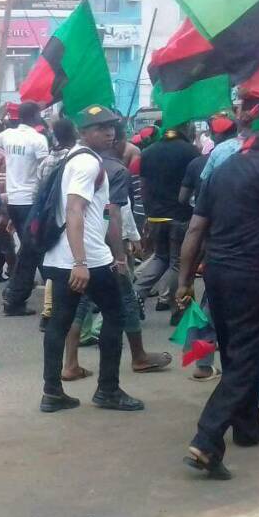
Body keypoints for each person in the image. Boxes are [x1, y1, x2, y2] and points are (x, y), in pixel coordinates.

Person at [177, 102, 259, 480]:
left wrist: (184, 281)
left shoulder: (223, 169)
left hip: (217, 275)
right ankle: (206, 439)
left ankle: (248, 428)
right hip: (256, 277)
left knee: (236, 352)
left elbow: (196, 229)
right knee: (247, 357)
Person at [39, 105, 144, 414]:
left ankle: (52, 392)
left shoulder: (73, 158)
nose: (108, 132)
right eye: (99, 128)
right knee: (116, 316)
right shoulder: (87, 164)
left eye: (111, 126)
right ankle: (108, 390)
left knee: (59, 321)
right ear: (83, 133)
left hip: (62, 256)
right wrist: (81, 262)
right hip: (87, 259)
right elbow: (74, 210)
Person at [61, 123, 172, 379]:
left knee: (80, 304)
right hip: (104, 249)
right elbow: (114, 214)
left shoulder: (72, 161)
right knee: (125, 302)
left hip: (79, 246)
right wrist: (121, 254)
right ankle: (137, 357)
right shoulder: (113, 170)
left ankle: (70, 363)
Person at [135, 124, 200, 311]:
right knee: (177, 263)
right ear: (186, 129)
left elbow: (143, 186)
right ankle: (176, 307)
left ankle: (136, 293)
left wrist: (148, 214)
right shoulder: (191, 151)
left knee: (160, 258)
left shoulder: (148, 152)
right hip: (180, 216)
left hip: (155, 216)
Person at [0, 101, 50, 316]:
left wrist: (0, 120)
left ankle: (15, 294)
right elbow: (45, 171)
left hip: (14, 201)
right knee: (32, 250)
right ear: (36, 115)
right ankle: (15, 298)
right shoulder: (38, 139)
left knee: (32, 248)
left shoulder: (8, 135)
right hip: (31, 201)